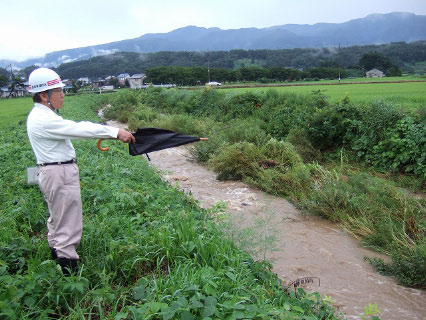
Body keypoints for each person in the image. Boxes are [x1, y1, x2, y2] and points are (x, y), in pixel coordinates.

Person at [26, 67, 135, 275]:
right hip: (59, 173)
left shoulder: (41, 115)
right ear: (43, 95)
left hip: (53, 172)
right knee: (68, 221)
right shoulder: (44, 119)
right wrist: (115, 132)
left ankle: (56, 257)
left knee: (57, 217)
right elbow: (80, 128)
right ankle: (70, 275)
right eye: (58, 91)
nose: (63, 94)